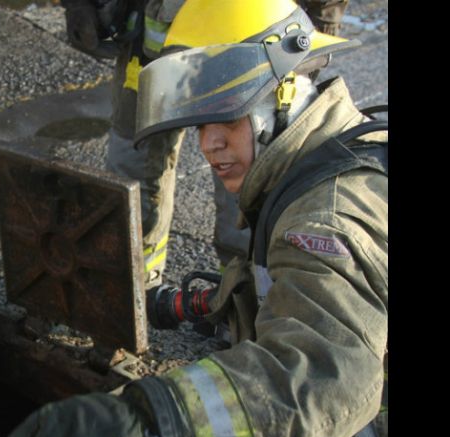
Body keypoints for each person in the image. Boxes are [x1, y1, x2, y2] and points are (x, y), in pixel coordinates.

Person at [0, 1, 387, 437]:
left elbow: (320, 379)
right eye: (199, 125)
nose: (207, 145)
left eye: (225, 115)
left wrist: (142, 418)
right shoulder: (341, 150)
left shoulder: (322, 221)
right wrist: (183, 304)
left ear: (283, 93)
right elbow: (286, 290)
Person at [60, 0, 350, 288]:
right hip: (149, 52)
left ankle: (244, 297)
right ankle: (134, 289)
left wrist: (310, 42)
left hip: (251, 51)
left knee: (248, 179)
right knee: (130, 172)